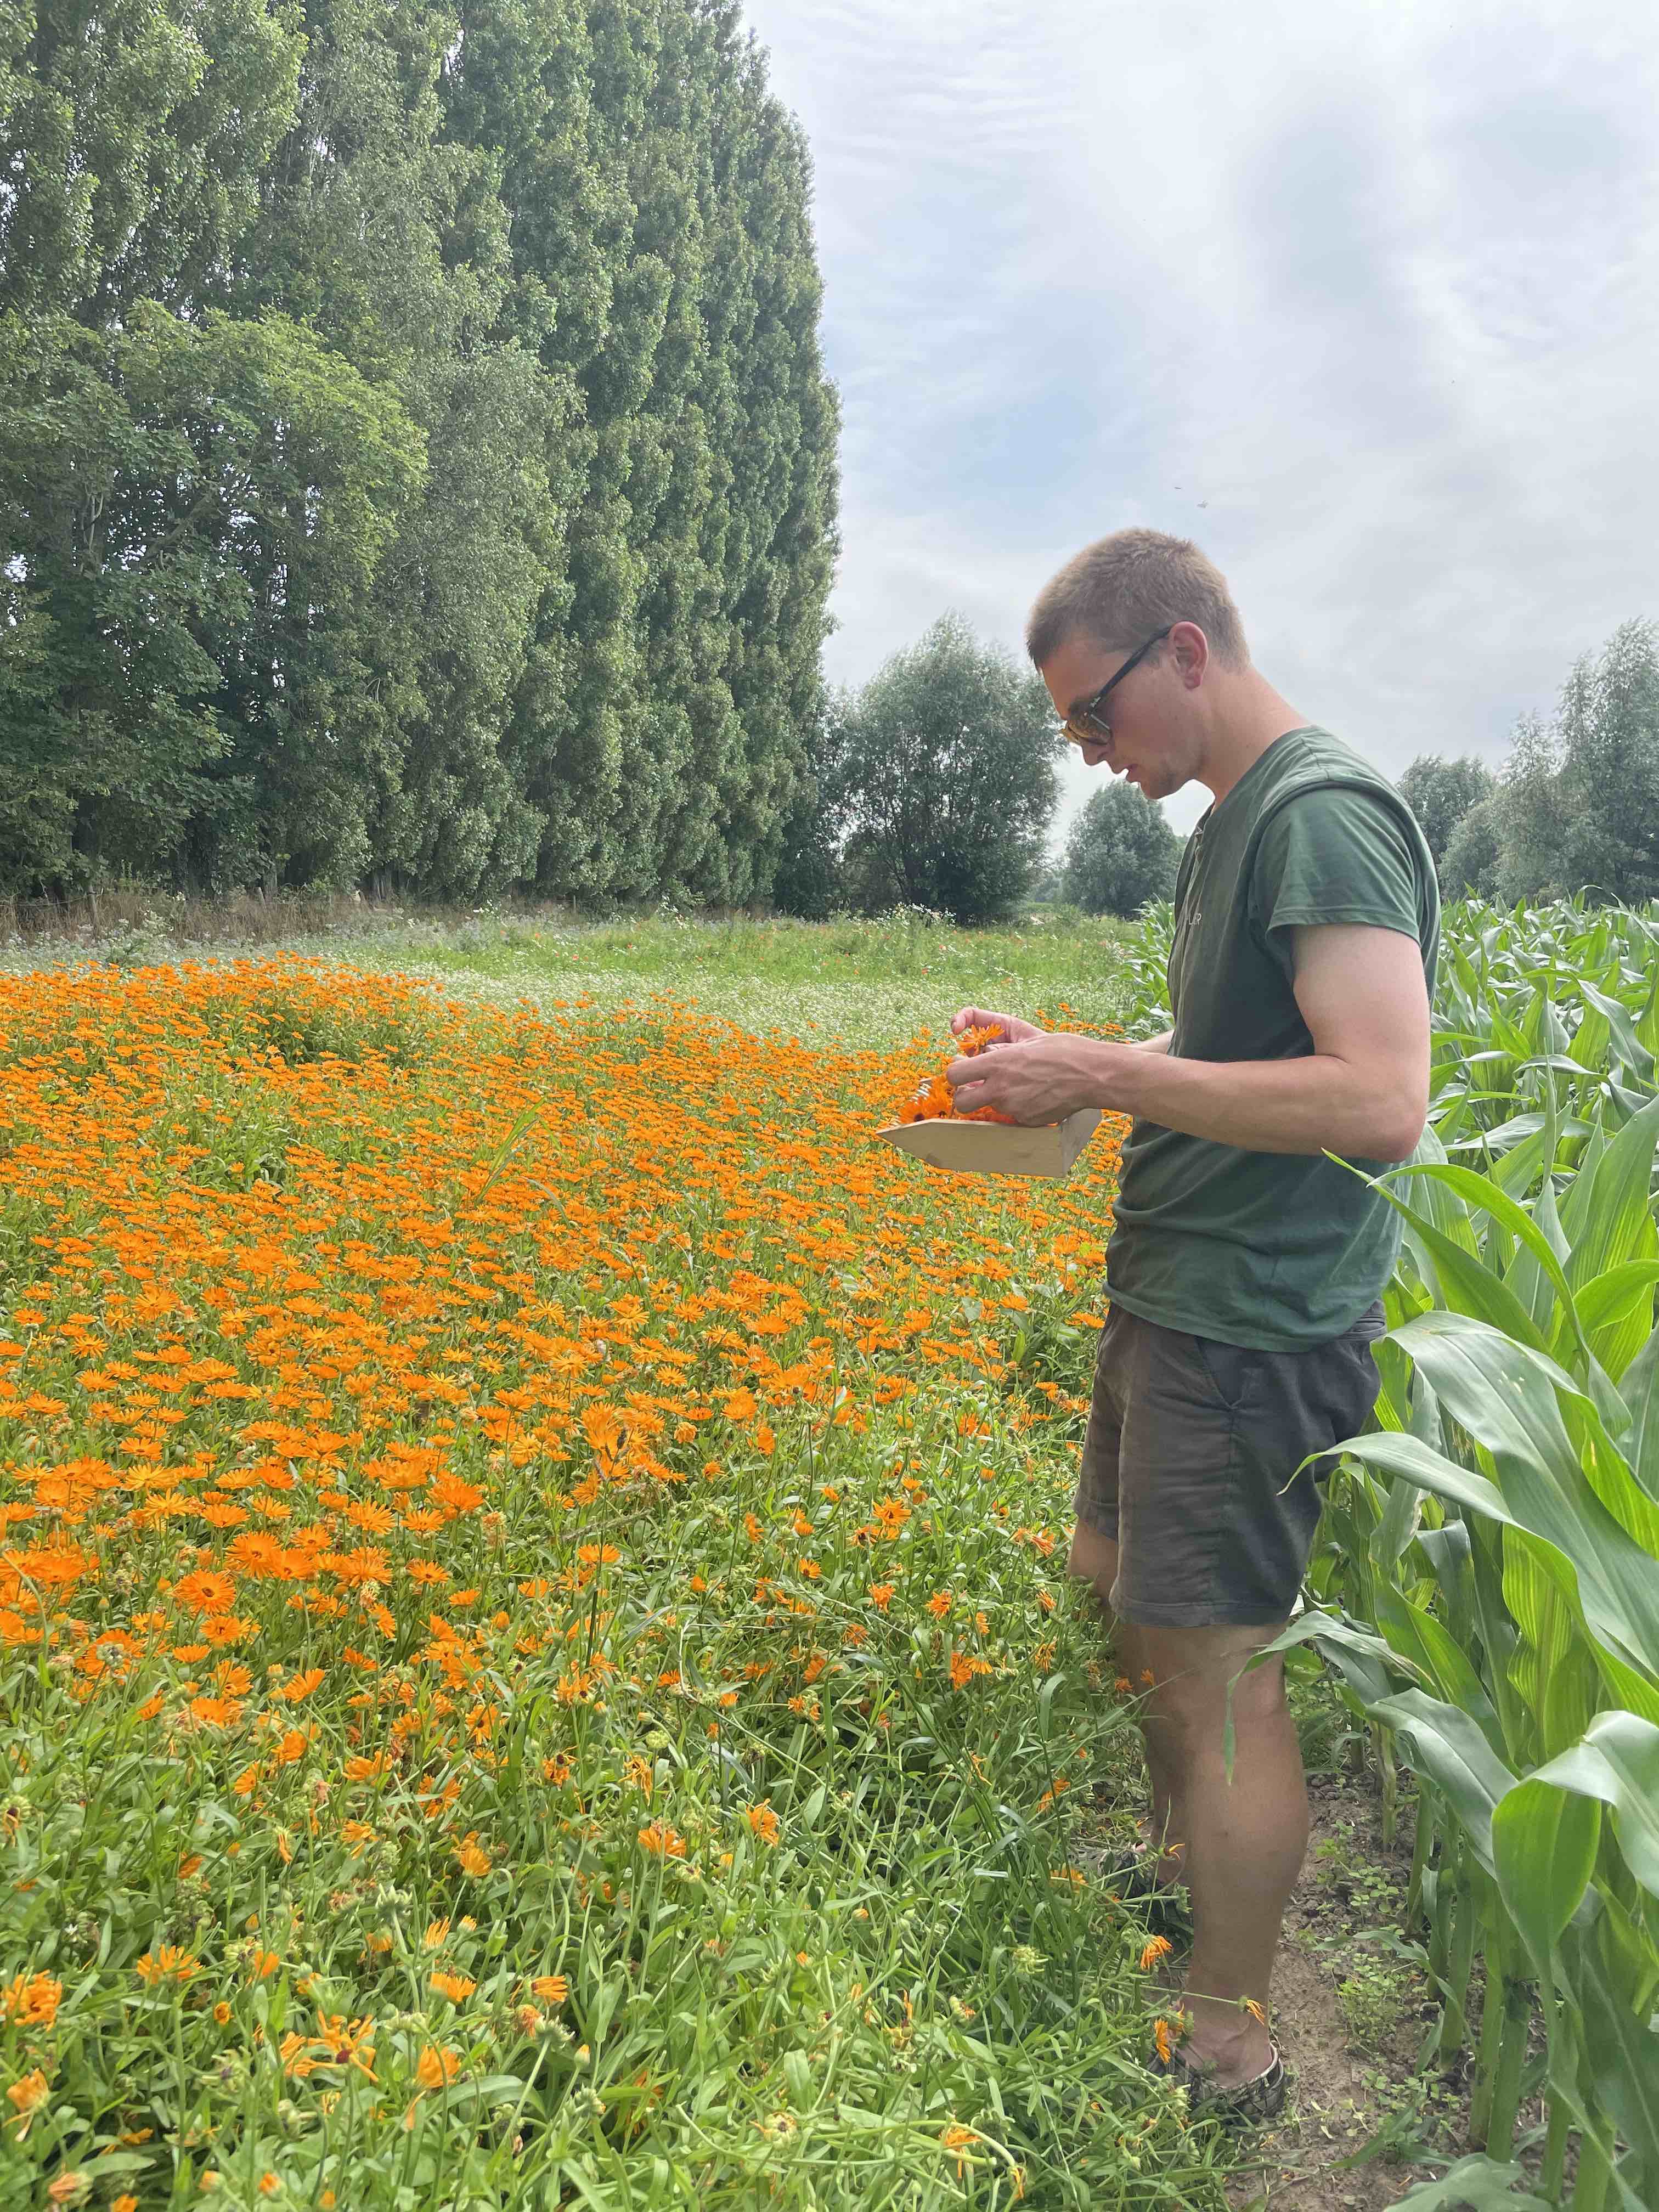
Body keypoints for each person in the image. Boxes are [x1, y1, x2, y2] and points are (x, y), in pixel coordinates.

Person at [946, 527, 1438, 2123]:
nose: (1093, 756)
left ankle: (1227, 2036)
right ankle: (1182, 1889)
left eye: (1095, 716)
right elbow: (1234, 1046)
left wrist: (1103, 1075)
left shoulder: (1323, 817)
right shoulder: (1229, 830)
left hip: (1255, 1328)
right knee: (1130, 1608)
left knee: (1222, 1671)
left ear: (1184, 651)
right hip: (1179, 1294)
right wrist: (1083, 1053)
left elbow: (1381, 1099)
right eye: (1070, 732)